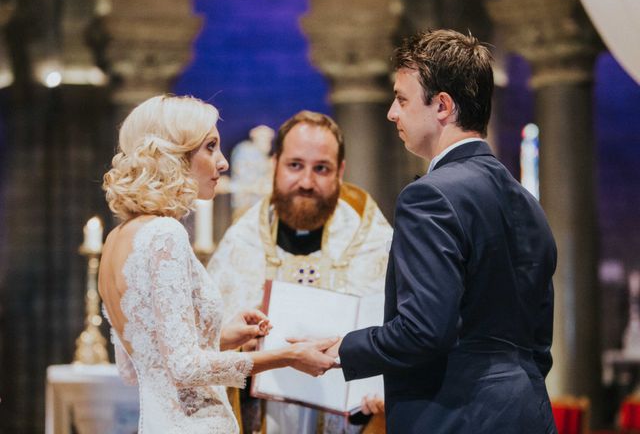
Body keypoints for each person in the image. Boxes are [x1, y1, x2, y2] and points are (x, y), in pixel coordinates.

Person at [326, 29, 558, 433]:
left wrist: (342, 350)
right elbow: (539, 343)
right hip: (529, 413)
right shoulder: (528, 204)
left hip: (456, 415)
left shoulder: (429, 197)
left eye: (401, 99)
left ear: (443, 106)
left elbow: (423, 331)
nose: (391, 113)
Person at [98, 95, 337, 434]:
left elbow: (137, 367)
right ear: (174, 154)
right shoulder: (166, 234)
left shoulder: (117, 239)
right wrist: (289, 357)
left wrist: (222, 337)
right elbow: (183, 369)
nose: (223, 163)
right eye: (210, 147)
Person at [207, 111, 392, 434]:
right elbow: (207, 348)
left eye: (321, 169)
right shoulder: (243, 243)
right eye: (295, 166)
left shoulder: (373, 243)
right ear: (274, 164)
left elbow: (399, 341)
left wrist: (378, 398)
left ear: (340, 172)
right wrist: (245, 352)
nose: (306, 182)